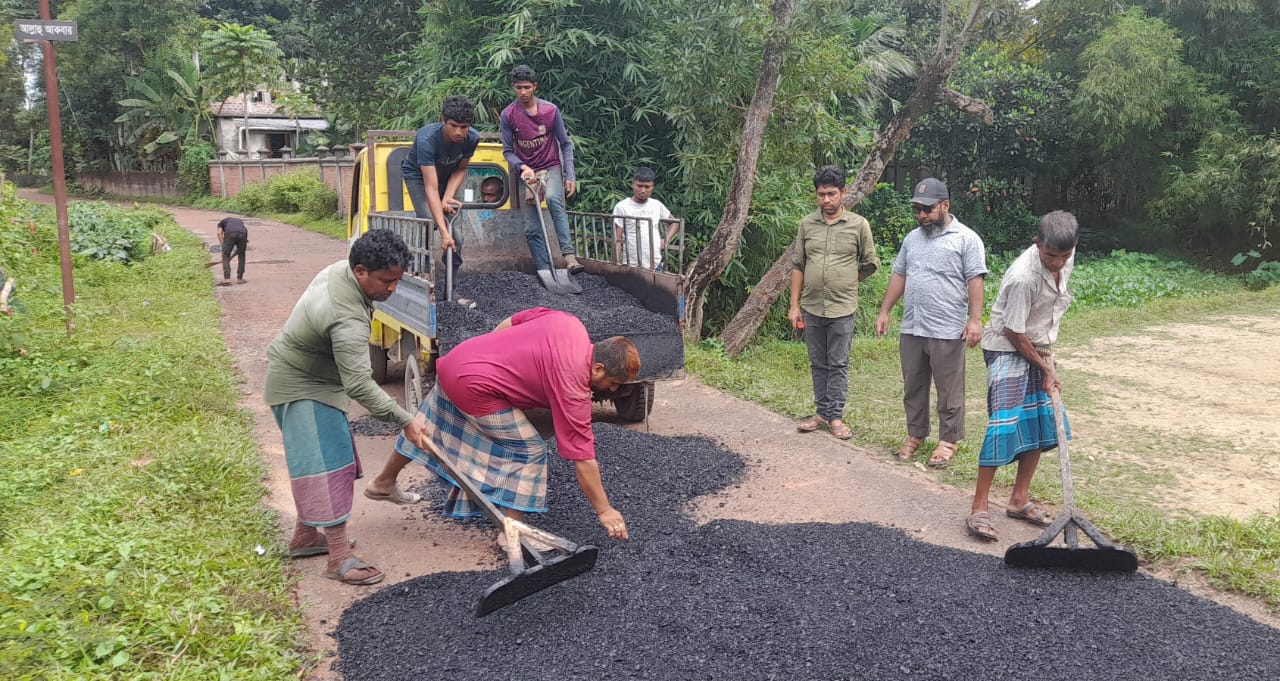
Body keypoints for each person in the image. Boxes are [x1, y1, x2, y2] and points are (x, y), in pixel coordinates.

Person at [368, 307, 638, 541]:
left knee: (427, 423)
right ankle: (511, 531)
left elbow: (512, 320)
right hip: (476, 386)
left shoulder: (569, 323)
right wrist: (605, 510)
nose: (612, 391)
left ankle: (383, 482)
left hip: (459, 361)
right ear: (598, 368)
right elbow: (583, 457)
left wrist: (493, 358)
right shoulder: (573, 387)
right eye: (613, 383)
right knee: (530, 451)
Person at [264, 229, 430, 586]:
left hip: (308, 378)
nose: (392, 290)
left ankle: (305, 538)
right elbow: (358, 384)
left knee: (321, 460)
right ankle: (338, 557)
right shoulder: (347, 318)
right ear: (360, 271)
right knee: (328, 466)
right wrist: (405, 420)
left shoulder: (341, 270)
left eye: (398, 280)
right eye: (386, 281)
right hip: (303, 386)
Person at [966, 211, 1078, 542]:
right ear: (1037, 244)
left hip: (1038, 344)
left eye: (1064, 256)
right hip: (1005, 346)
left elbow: (1042, 320)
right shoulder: (1022, 278)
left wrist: (1046, 362)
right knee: (1004, 424)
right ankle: (979, 507)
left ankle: (1018, 499)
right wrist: (1046, 369)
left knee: (1040, 422)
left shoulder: (1064, 255)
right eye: (1050, 256)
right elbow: (1014, 332)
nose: (1057, 263)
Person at [875, 177, 988, 467]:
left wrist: (974, 321)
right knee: (913, 385)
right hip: (913, 326)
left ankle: (948, 440)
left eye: (927, 209)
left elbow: (975, 280)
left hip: (947, 328)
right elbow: (900, 275)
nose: (922, 215)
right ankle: (916, 434)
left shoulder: (966, 239)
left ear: (945, 205)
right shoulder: (912, 239)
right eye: (917, 209)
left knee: (949, 389)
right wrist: (885, 310)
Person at [788, 165, 880, 441]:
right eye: (820, 195)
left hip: (842, 307)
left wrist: (848, 280)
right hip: (812, 305)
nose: (826, 200)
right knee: (818, 363)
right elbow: (798, 265)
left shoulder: (858, 225)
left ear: (843, 192)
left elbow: (871, 263)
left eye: (831, 194)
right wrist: (794, 305)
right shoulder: (807, 224)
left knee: (837, 363)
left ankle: (836, 417)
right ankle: (821, 413)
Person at [499, 65, 583, 274]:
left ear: (535, 86)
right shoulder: (508, 115)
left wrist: (570, 175)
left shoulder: (550, 111)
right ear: (513, 88)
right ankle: (544, 269)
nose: (523, 92)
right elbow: (508, 151)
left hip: (550, 165)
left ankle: (569, 257)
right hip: (527, 171)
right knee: (531, 226)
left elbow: (565, 144)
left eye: (527, 87)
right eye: (519, 88)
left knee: (555, 199)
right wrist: (522, 167)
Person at [402, 95, 480, 282]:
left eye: (464, 127)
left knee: (457, 238)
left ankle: (450, 286)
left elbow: (460, 169)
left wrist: (448, 197)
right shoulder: (427, 138)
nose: (459, 132)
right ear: (443, 120)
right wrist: (444, 234)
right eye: (453, 125)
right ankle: (417, 273)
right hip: (419, 178)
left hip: (447, 179)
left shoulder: (472, 139)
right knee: (430, 222)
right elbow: (430, 187)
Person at [613, 167, 678, 270]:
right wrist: (615, 264)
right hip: (631, 265)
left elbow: (674, 223)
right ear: (633, 184)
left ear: (652, 186)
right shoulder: (622, 207)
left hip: (655, 264)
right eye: (639, 186)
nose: (643, 190)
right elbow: (618, 239)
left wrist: (666, 240)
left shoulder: (656, 205)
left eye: (647, 187)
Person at [216, 216, 248, 286]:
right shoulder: (239, 221)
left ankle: (227, 279)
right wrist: (244, 240)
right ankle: (240, 278)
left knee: (225, 255)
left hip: (230, 234)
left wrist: (223, 246)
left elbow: (219, 233)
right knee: (241, 255)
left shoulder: (221, 223)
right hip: (243, 234)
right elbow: (245, 230)